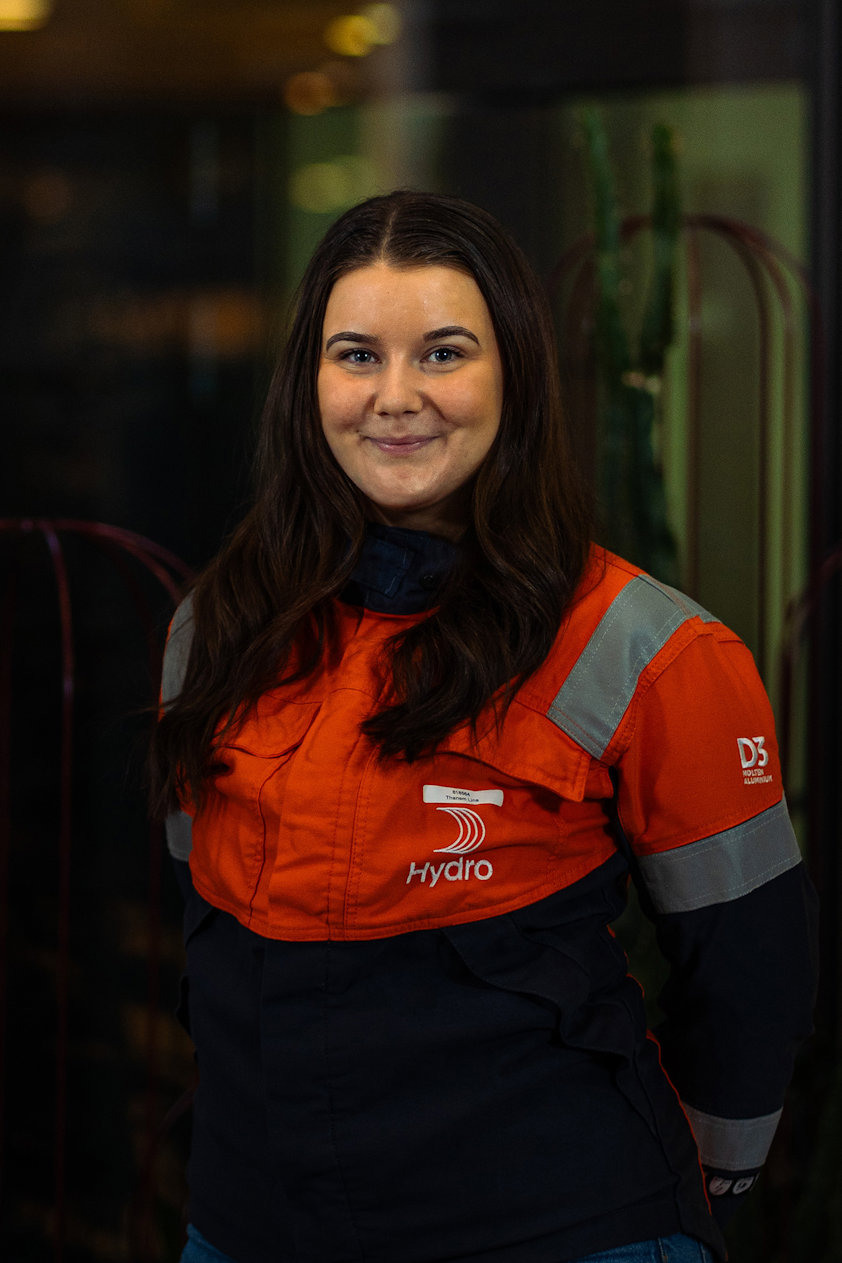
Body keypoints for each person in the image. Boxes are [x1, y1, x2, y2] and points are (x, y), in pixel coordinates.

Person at [151, 190, 817, 1263]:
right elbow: (205, 921)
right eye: (357, 356)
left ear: (515, 373)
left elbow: (751, 974)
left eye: (443, 353)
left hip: (558, 1229)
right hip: (247, 1228)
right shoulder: (215, 630)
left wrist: (701, 1192)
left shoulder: (651, 650)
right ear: (307, 383)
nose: (395, 397)